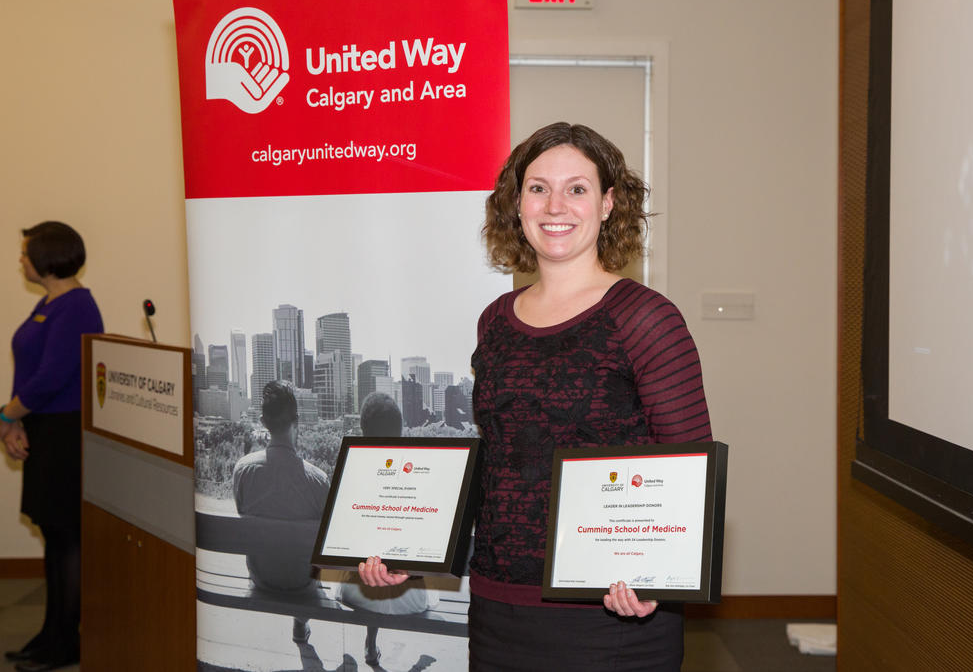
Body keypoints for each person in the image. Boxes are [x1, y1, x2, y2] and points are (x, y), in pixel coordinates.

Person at [359, 122, 713, 671]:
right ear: (517, 203)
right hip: (500, 605)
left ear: (608, 204)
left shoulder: (645, 318)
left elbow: (691, 467)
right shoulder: (495, 322)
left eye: (577, 188)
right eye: (538, 187)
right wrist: (419, 549)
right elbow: (501, 462)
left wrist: (657, 580)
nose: (556, 205)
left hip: (611, 612)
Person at [1, 222, 102, 672]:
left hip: (65, 432)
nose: (20, 260)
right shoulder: (49, 303)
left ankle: (67, 645)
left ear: (46, 256)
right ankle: (49, 635)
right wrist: (15, 422)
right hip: (41, 427)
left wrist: (6, 416)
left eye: (25, 253)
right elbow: (28, 369)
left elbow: (54, 375)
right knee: (54, 537)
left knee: (67, 538)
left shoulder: (77, 306)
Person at [337, 392, 441, 666]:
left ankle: (371, 641)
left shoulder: (350, 476)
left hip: (358, 594)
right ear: (401, 433)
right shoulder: (417, 475)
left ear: (363, 433)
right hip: (406, 598)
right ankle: (408, 662)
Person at [232, 380, 330, 646]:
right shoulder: (319, 480)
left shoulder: (242, 471)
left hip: (261, 577)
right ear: (296, 420)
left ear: (263, 421)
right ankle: (300, 623)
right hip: (302, 584)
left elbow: (241, 511)